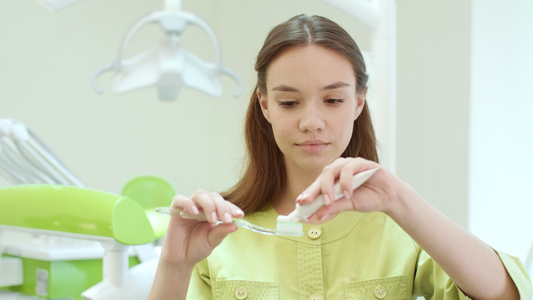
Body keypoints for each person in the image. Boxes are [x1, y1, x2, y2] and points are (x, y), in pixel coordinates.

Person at [149, 14, 531, 299]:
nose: (311, 122)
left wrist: (397, 198)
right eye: (289, 102)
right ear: (265, 105)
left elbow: (510, 294)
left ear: (359, 102)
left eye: (333, 100)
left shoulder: (400, 228)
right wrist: (174, 266)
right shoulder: (219, 236)